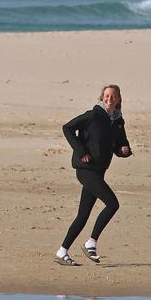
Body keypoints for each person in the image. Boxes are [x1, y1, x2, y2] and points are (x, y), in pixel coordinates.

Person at [55, 85, 132, 266]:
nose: (110, 99)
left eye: (113, 96)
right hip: (86, 170)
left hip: (99, 171)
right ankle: (91, 243)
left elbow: (120, 144)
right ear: (102, 97)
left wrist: (125, 151)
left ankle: (62, 251)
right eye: (107, 95)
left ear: (119, 99)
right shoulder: (93, 115)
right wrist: (80, 150)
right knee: (113, 204)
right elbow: (67, 128)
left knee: (83, 215)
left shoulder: (118, 121)